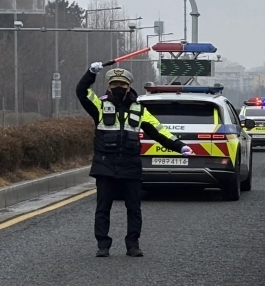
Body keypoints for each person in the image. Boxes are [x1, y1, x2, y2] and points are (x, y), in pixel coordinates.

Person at [76, 62, 190, 258]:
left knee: (134, 208)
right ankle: (103, 245)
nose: (118, 88)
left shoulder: (140, 110)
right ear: (108, 86)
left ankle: (133, 245)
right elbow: (81, 92)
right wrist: (90, 73)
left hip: (130, 164)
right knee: (103, 207)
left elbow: (159, 131)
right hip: (105, 164)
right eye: (114, 84)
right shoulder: (100, 105)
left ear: (129, 86)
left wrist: (179, 146)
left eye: (121, 84)